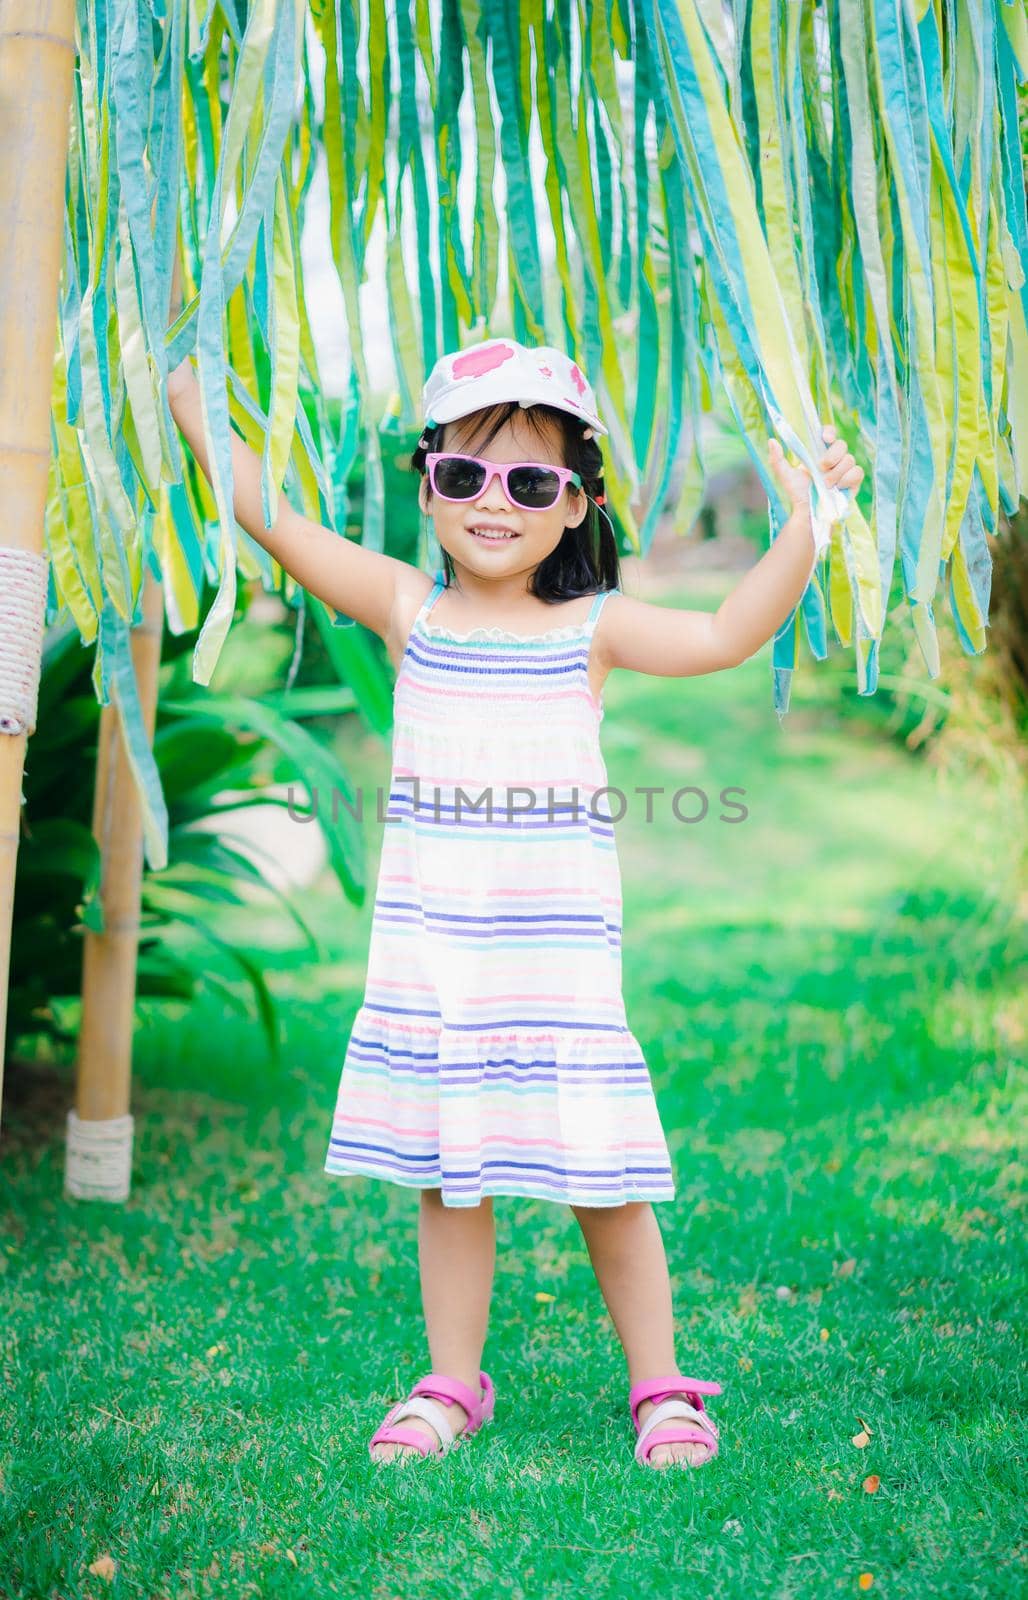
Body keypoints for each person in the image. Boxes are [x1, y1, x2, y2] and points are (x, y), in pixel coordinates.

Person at [167, 336, 863, 1470]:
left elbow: (729, 632)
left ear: (575, 501)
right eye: (465, 476)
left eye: (531, 481)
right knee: (451, 1175)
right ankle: (451, 1379)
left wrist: (806, 519)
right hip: (440, 967)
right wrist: (197, 411)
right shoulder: (409, 611)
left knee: (605, 1180)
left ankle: (660, 1385)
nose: (494, 503)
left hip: (556, 969)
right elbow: (277, 522)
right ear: (426, 483)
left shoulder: (592, 630)